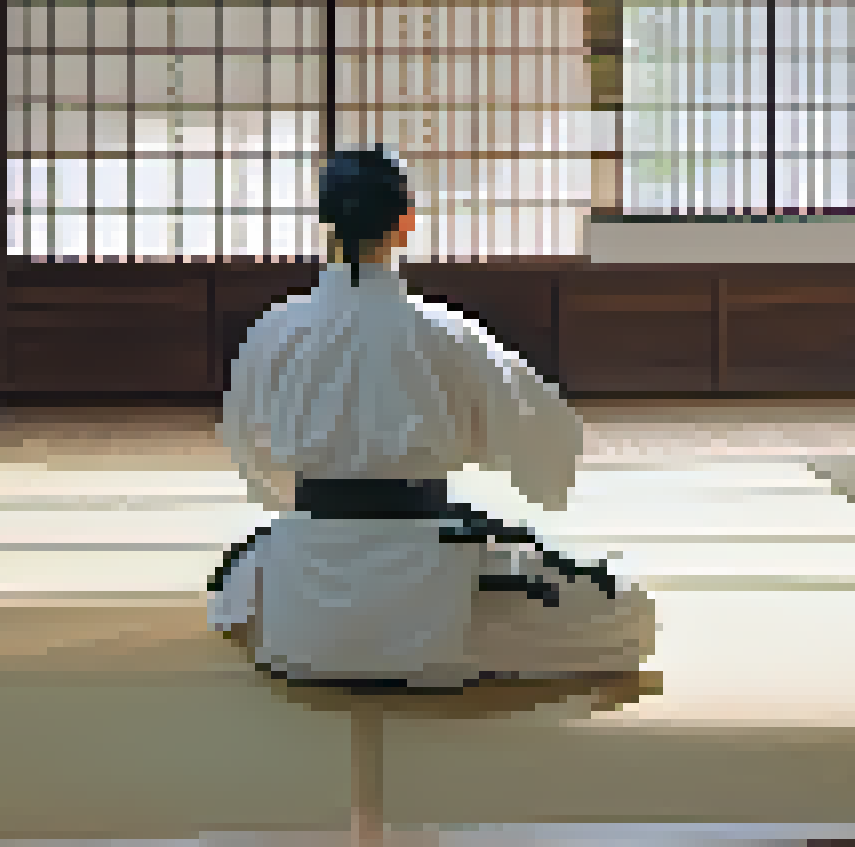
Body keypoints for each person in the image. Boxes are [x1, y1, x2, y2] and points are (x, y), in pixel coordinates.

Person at [207, 147, 657, 691]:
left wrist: (318, 492)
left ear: (325, 224)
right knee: (628, 608)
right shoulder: (446, 333)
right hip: (427, 579)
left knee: (241, 580)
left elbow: (250, 455)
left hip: (304, 609)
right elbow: (548, 433)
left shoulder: (272, 333)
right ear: (404, 224)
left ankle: (316, 629)